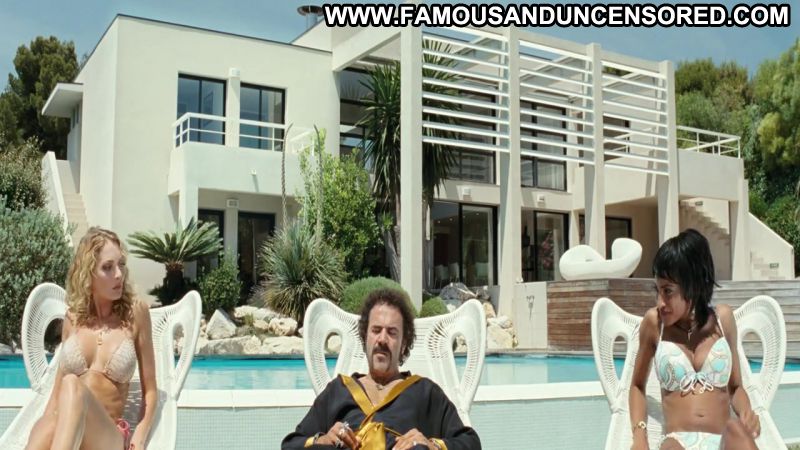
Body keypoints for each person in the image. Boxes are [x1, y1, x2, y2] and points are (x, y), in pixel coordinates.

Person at [282, 288, 481, 450]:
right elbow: (291, 445)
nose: (382, 339)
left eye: (392, 333)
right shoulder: (338, 391)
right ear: (365, 337)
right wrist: (322, 440)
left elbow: (471, 443)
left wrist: (432, 445)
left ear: (404, 343)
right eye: (376, 330)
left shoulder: (425, 392)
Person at [25, 227, 157, 450]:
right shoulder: (73, 319)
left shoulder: (135, 314)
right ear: (88, 273)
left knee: (72, 384)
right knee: (50, 420)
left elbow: (151, 391)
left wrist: (140, 437)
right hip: (65, 429)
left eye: (121, 264)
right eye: (108, 267)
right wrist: (43, 428)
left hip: (107, 435)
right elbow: (56, 396)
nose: (119, 274)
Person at [629, 229, 760, 450]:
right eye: (657, 290)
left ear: (694, 286)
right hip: (678, 440)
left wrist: (747, 412)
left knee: (736, 430)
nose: (660, 302)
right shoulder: (654, 324)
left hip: (722, 440)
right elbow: (637, 386)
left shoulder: (723, 319)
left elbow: (736, 387)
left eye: (668, 291)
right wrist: (639, 437)